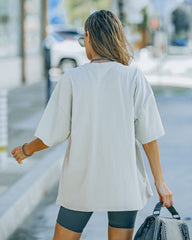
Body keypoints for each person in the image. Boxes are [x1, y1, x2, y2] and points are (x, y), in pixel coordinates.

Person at [11, 9, 173, 240]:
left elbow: (52, 134)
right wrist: (160, 182)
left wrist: (25, 150)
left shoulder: (72, 79)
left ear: (89, 37)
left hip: (81, 182)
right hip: (123, 182)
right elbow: (149, 136)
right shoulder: (134, 78)